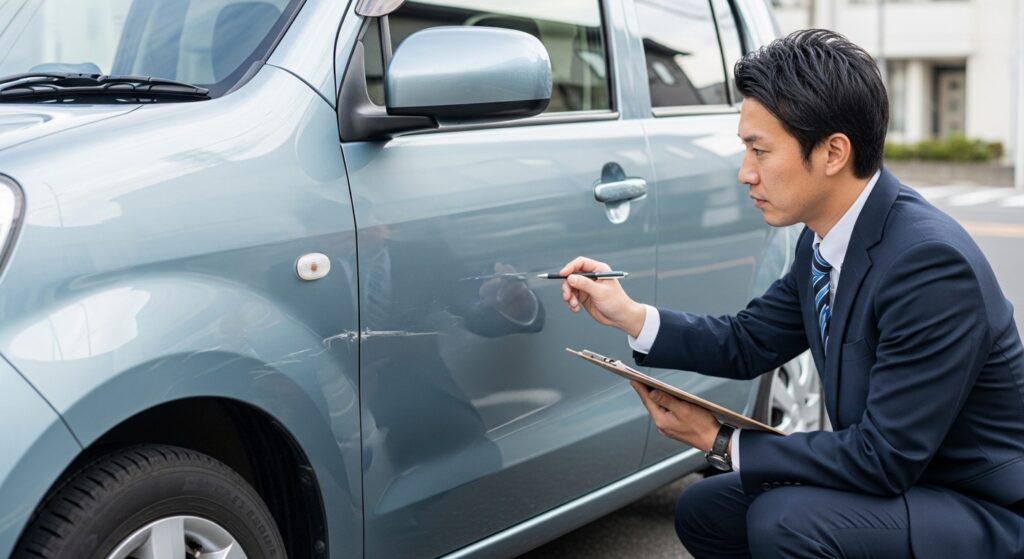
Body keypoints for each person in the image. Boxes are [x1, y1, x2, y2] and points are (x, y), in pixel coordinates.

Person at [559, 29, 1024, 558]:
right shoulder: (826, 236)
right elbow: (748, 341)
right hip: (904, 483)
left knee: (788, 521)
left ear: (832, 152)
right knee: (707, 510)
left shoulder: (930, 265)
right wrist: (630, 314)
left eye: (760, 150)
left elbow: (882, 458)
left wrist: (719, 441)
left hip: (979, 508)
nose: (745, 173)